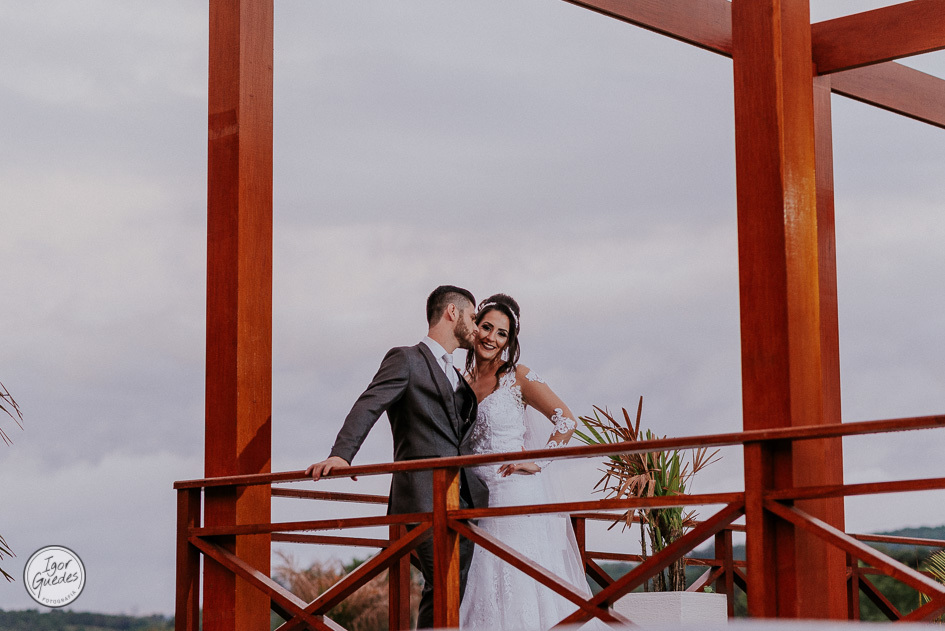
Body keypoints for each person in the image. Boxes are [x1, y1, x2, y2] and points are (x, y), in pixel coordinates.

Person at [306, 284, 488, 629]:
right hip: (420, 496)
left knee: (451, 589)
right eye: (473, 316)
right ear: (452, 312)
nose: (476, 327)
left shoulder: (459, 378)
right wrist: (342, 455)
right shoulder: (406, 359)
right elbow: (369, 403)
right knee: (444, 585)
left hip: (462, 499)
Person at [459, 293, 607, 630]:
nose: (491, 338)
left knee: (515, 580)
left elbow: (566, 420)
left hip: (514, 494)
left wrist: (537, 462)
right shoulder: (461, 382)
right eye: (487, 327)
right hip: (477, 497)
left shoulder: (517, 376)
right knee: (486, 584)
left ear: (509, 341)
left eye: (502, 334)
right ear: (475, 327)